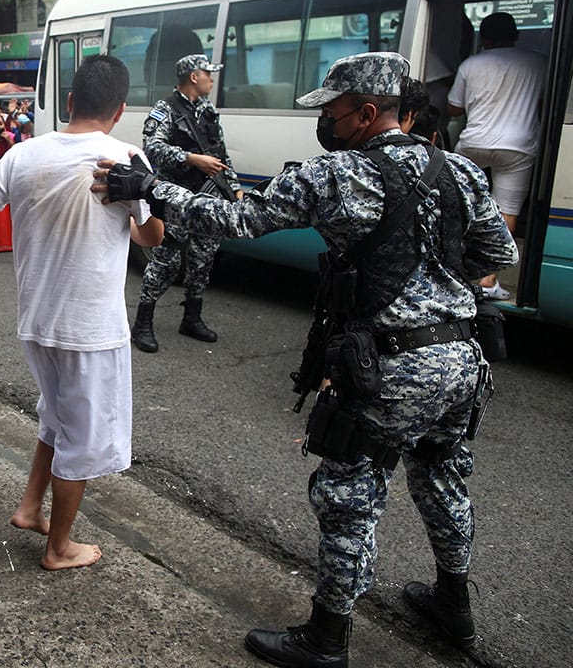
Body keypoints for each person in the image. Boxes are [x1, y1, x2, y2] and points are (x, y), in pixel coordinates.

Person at [95, 52, 518, 667]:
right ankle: (454, 605)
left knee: (349, 496)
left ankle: (325, 640)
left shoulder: (338, 175)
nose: (325, 120)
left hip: (390, 365)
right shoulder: (460, 170)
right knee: (444, 479)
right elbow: (494, 253)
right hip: (460, 359)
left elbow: (235, 217)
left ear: (368, 113)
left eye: (333, 109)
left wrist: (149, 189)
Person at [0, 54, 164, 570]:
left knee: (56, 417)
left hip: (38, 322)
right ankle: (59, 546)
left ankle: (29, 508)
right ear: (120, 110)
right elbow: (153, 237)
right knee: (83, 439)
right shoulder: (127, 157)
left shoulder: (26, 154)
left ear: (69, 102)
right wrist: (141, 211)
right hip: (89, 328)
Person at [131, 54, 239, 353]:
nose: (212, 79)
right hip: (175, 200)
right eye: (208, 73)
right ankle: (142, 323)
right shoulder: (165, 109)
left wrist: (235, 189)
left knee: (203, 259)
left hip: (207, 197)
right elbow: (152, 148)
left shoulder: (207, 110)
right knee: (166, 261)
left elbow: (221, 154)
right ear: (194, 76)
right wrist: (190, 158)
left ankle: (191, 318)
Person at [448, 11, 547, 301]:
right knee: (507, 211)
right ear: (515, 35)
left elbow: (454, 110)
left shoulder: (470, 64)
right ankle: (488, 281)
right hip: (519, 146)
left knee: (456, 204)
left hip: (473, 144)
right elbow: (545, 104)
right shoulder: (540, 63)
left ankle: (450, 270)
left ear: (484, 38)